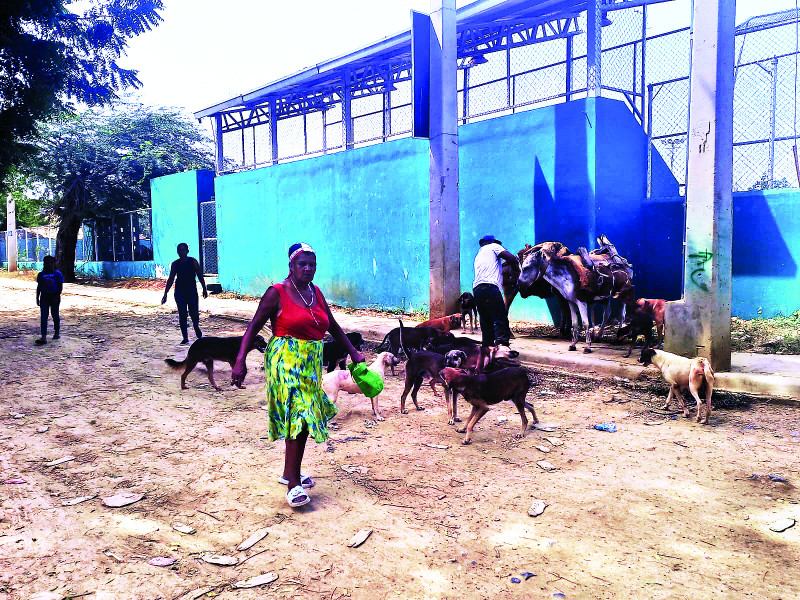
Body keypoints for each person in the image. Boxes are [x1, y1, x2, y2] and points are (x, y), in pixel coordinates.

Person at [231, 243, 365, 508]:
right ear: (291, 266)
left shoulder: (315, 292)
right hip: (286, 360)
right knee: (299, 416)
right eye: (302, 264)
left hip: (311, 361)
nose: (307, 268)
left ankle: (289, 472)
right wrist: (239, 360)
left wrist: (353, 352)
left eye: (312, 264)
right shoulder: (276, 293)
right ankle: (293, 485)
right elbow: (253, 326)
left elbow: (333, 326)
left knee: (304, 416)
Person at [472, 235, 519, 347]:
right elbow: (512, 259)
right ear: (492, 242)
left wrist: (511, 280)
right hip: (490, 288)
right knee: (500, 319)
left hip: (477, 290)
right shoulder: (494, 246)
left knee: (486, 321)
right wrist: (516, 270)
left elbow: (500, 279)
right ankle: (502, 348)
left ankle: (487, 348)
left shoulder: (479, 255)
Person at [161, 243, 207, 344]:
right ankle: (185, 337)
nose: (182, 252)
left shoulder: (193, 261)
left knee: (194, 313)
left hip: (191, 291)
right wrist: (165, 293)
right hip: (179, 292)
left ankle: (196, 326)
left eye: (183, 250)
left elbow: (199, 275)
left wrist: (204, 288)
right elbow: (171, 278)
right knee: (182, 314)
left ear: (187, 251)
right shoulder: (175, 264)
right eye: (180, 250)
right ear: (177, 252)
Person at [35, 255, 64, 346]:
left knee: (55, 315)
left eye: (52, 262)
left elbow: (60, 287)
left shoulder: (57, 274)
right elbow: (39, 287)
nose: (50, 264)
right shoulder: (41, 275)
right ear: (44, 263)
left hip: (54, 296)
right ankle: (43, 336)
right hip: (44, 297)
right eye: (48, 262)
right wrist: (37, 297)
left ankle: (57, 332)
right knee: (44, 316)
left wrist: (56, 297)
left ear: (54, 263)